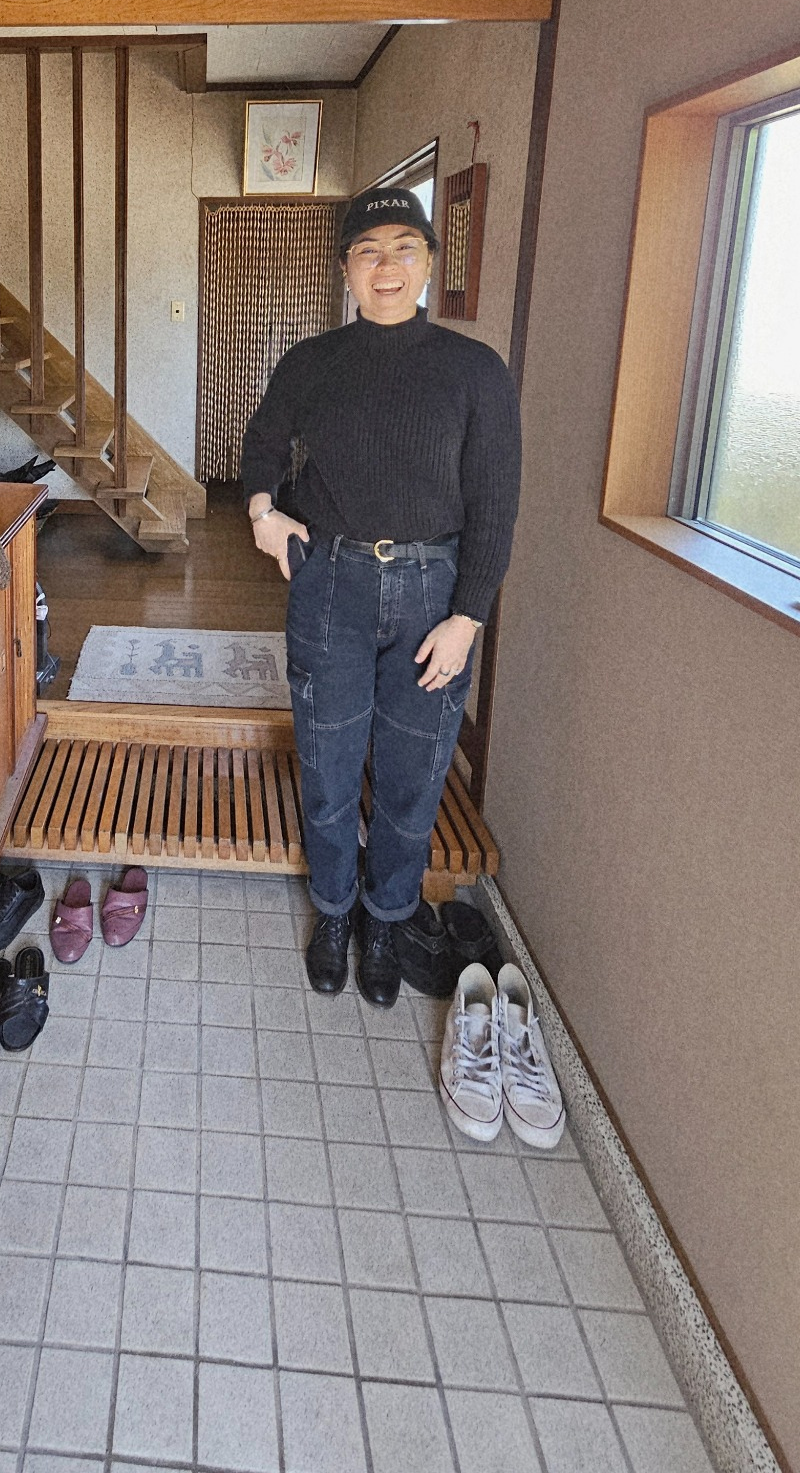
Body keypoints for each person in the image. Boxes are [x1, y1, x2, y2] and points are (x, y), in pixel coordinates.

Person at [241, 184, 521, 1004]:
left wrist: (469, 617)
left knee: (413, 773)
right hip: (331, 578)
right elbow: (261, 444)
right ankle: (333, 909)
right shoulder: (312, 363)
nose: (387, 265)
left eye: (404, 247)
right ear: (346, 271)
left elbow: (495, 506)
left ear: (430, 263)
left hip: (437, 590)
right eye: (368, 251)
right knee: (328, 765)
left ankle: (387, 914)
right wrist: (263, 512)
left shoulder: (476, 372)